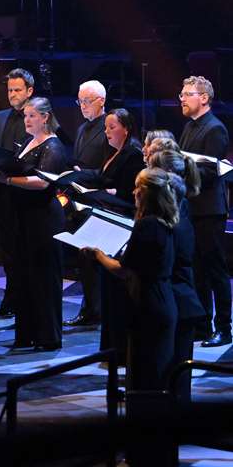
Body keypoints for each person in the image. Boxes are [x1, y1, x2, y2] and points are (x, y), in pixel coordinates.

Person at [84, 168, 179, 391]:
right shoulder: (166, 221)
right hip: (163, 300)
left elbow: (124, 270)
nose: (134, 192)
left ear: (147, 193)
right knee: (156, 373)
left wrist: (98, 255)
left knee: (145, 376)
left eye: (138, 188)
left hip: (149, 303)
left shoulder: (147, 225)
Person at [0, 97, 67, 351]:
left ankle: (48, 336)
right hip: (24, 217)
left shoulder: (54, 146)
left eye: (32, 116)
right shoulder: (28, 142)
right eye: (26, 116)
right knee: (25, 276)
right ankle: (26, 334)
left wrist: (9, 181)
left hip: (44, 219)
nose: (26, 120)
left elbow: (44, 182)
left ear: (45, 117)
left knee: (44, 277)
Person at [66, 108, 145, 329]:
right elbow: (101, 176)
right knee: (89, 261)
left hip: (119, 219)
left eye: (112, 127)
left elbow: (129, 191)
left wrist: (109, 192)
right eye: (106, 127)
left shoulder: (133, 153)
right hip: (105, 212)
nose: (107, 132)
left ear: (126, 129)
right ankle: (93, 310)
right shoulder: (116, 152)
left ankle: (96, 312)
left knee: (98, 263)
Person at [177, 76, 231, 347]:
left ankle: (224, 327)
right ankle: (201, 324)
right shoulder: (189, 127)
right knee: (196, 269)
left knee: (215, 270)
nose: (182, 99)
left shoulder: (215, 129)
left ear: (204, 98)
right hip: (192, 208)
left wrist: (178, 168)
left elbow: (209, 172)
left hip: (209, 210)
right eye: (182, 94)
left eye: (187, 94)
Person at [149, 150, 205, 403]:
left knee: (172, 379)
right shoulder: (177, 209)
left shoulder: (173, 219)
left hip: (177, 303)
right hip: (179, 301)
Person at [65, 80, 115, 327]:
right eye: (80, 101)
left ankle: (98, 309)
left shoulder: (109, 128)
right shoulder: (82, 128)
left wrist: (83, 173)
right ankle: (90, 308)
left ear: (101, 101)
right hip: (80, 199)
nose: (82, 106)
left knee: (98, 258)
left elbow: (108, 167)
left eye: (87, 101)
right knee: (83, 258)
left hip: (99, 199)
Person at [0, 68, 34, 317]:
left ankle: (23, 299)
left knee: (23, 248)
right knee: (6, 248)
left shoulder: (37, 116)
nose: (12, 95)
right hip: (2, 192)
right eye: (10, 90)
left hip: (25, 194)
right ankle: (10, 298)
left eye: (17, 90)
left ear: (29, 91)